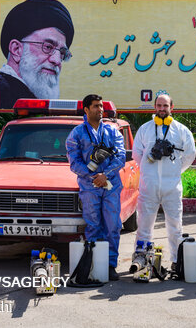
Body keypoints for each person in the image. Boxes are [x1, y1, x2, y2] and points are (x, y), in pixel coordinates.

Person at [132, 92, 196, 268]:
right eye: (159, 106)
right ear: (155, 108)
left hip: (172, 186)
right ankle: (141, 258)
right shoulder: (145, 129)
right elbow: (137, 153)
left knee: (175, 225)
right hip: (148, 185)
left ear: (171, 108)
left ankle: (176, 261)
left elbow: (190, 154)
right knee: (144, 225)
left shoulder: (181, 130)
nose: (162, 109)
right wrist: (148, 170)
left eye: (165, 106)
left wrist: (175, 170)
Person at [66, 94, 126, 281]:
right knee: (93, 226)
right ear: (86, 109)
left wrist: (104, 175)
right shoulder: (76, 133)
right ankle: (93, 264)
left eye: (101, 106)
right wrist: (92, 176)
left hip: (111, 185)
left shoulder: (113, 131)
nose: (100, 109)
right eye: (95, 106)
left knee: (113, 225)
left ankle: (109, 265)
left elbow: (120, 157)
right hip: (89, 186)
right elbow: (73, 162)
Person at [0, 0, 75, 109]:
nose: (57, 60)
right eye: (48, 47)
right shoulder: (0, 95)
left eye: (62, 53)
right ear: (16, 50)